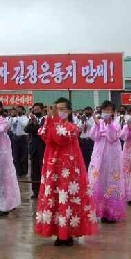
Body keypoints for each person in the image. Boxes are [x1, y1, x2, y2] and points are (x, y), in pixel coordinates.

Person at [35, 97, 98, 246]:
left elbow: (59, 139)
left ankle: (68, 233)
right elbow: (46, 136)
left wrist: (52, 121)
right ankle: (57, 231)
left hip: (68, 169)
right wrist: (50, 121)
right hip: (53, 167)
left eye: (63, 109)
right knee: (54, 197)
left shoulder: (73, 128)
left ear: (69, 111)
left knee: (68, 197)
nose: (59, 112)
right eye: (57, 109)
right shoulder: (49, 124)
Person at [87, 100, 124, 223]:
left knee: (111, 181)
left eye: (109, 110)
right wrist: (97, 125)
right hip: (99, 157)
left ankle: (111, 212)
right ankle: (99, 211)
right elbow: (93, 136)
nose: (107, 112)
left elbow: (113, 137)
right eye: (105, 110)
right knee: (98, 181)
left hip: (112, 157)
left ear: (113, 112)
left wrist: (109, 126)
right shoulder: (98, 122)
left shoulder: (116, 123)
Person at [25, 103, 46, 199]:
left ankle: (44, 191)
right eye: (34, 110)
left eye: (37, 110)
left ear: (42, 110)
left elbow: (42, 131)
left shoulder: (46, 120)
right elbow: (27, 129)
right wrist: (33, 123)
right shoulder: (31, 120)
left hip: (43, 148)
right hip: (33, 149)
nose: (35, 112)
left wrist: (35, 125)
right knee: (34, 172)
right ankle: (35, 191)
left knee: (43, 170)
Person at [9, 106, 29, 177]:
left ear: (23, 111)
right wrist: (11, 117)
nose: (17, 111)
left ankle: (24, 172)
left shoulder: (25, 118)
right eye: (16, 110)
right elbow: (9, 126)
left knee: (23, 156)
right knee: (15, 155)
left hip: (23, 137)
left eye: (20, 110)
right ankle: (17, 171)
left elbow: (24, 124)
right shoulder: (13, 118)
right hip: (14, 137)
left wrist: (18, 117)